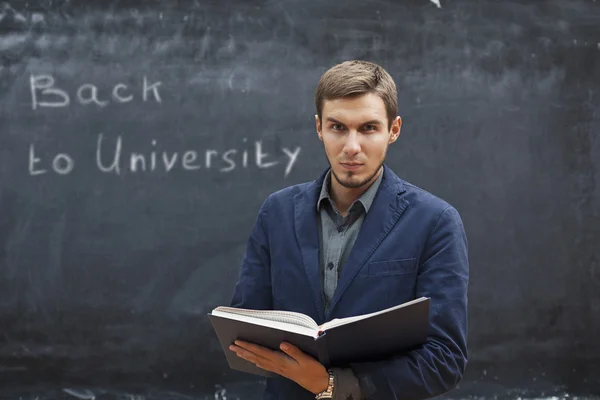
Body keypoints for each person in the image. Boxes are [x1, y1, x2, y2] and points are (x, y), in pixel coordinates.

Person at [227, 60, 469, 400]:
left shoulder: (436, 221)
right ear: (319, 128)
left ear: (394, 130)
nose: (351, 147)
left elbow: (445, 360)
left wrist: (331, 385)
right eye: (338, 127)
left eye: (368, 128)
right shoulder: (277, 212)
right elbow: (246, 330)